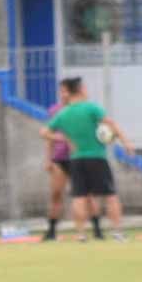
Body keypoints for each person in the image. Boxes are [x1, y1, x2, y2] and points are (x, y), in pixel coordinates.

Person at [40, 77, 134, 242]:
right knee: (110, 196)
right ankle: (117, 232)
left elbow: (44, 132)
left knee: (79, 197)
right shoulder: (91, 108)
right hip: (96, 157)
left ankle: (81, 234)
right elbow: (110, 124)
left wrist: (62, 138)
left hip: (76, 159)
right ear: (81, 89)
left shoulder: (63, 113)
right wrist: (126, 142)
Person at [42, 80, 101, 241]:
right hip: (60, 159)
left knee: (88, 195)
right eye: (61, 91)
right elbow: (48, 136)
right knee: (56, 194)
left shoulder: (85, 109)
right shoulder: (55, 110)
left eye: (65, 91)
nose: (63, 94)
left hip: (81, 157)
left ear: (72, 92)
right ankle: (51, 231)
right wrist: (48, 159)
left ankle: (97, 230)